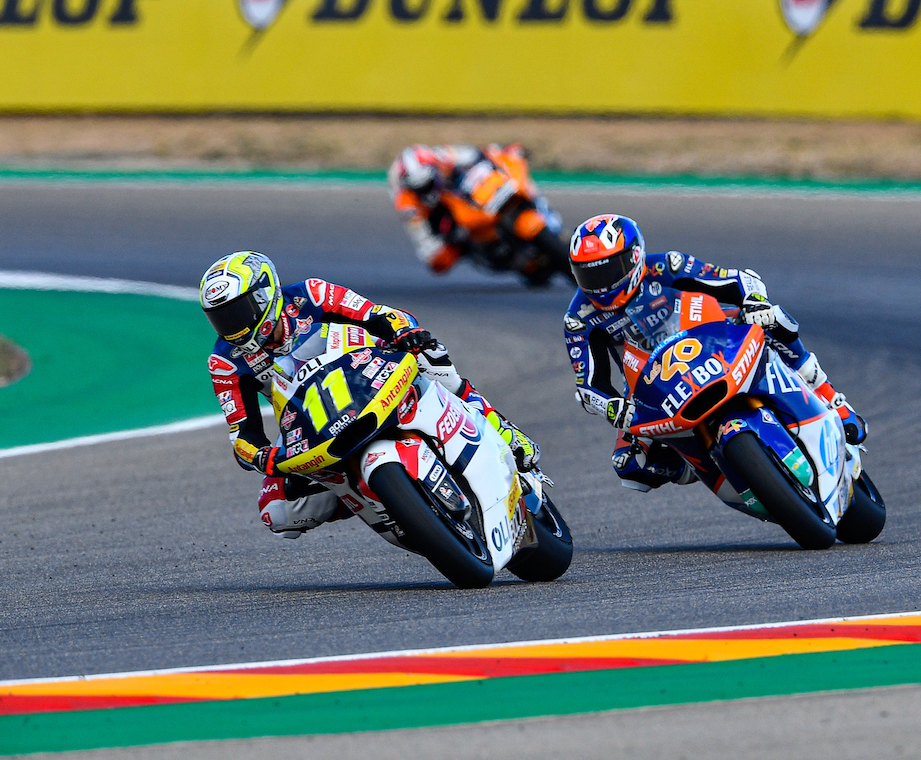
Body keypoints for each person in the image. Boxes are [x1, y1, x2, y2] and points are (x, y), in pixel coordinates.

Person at [200, 251, 540, 538]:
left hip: (368, 368)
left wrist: (404, 332)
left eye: (237, 313)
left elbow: (375, 314)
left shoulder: (311, 294)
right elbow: (242, 434)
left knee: (431, 357)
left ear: (264, 296)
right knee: (276, 512)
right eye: (220, 319)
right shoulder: (224, 362)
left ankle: (503, 431)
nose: (232, 328)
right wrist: (261, 457)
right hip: (310, 416)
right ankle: (374, 499)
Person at [560, 215, 866, 493]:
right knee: (628, 465)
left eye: (608, 270)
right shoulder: (579, 319)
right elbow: (588, 386)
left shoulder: (667, 266)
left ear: (634, 257)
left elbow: (738, 280)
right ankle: (699, 464)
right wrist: (611, 407)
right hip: (653, 381)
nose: (600, 285)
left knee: (773, 319)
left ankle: (832, 398)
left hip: (710, 336)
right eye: (588, 276)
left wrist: (755, 302)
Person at [388, 143, 567, 282]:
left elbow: (479, 154)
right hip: (450, 217)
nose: (427, 190)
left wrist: (504, 154)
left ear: (435, 170)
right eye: (421, 188)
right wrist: (450, 242)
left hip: (468, 193)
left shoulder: (443, 156)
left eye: (429, 183)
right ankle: (497, 255)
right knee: (441, 259)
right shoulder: (407, 202)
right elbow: (425, 246)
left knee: (514, 166)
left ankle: (549, 219)